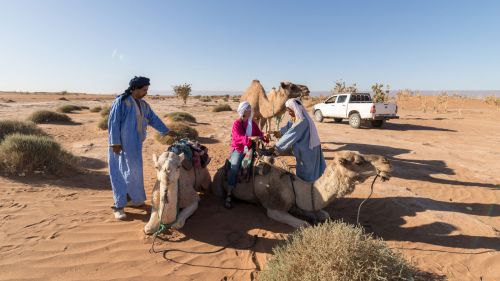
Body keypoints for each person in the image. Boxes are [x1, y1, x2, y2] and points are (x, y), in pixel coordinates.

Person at [108, 76, 171, 220]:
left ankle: (132, 200)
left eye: (147, 90)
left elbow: (153, 119)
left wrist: (166, 131)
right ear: (135, 89)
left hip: (135, 145)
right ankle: (118, 206)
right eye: (144, 89)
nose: (146, 92)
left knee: (134, 173)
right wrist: (115, 142)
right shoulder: (121, 102)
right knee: (120, 174)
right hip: (121, 146)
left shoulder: (143, 105)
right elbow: (113, 123)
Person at [225, 101, 268, 208]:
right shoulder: (237, 123)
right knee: (234, 166)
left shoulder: (252, 123)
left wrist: (264, 136)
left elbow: (259, 133)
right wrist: (249, 138)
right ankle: (229, 194)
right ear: (243, 111)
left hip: (251, 148)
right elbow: (237, 137)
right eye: (248, 109)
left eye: (250, 108)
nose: (250, 110)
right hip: (239, 149)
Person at [272, 98, 326, 182]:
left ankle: (308, 191)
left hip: (308, 152)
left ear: (295, 109)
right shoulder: (297, 119)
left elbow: (291, 134)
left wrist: (276, 148)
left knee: (307, 175)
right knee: (310, 172)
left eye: (289, 110)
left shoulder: (302, 121)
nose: (289, 113)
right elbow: (289, 127)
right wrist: (279, 132)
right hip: (309, 150)